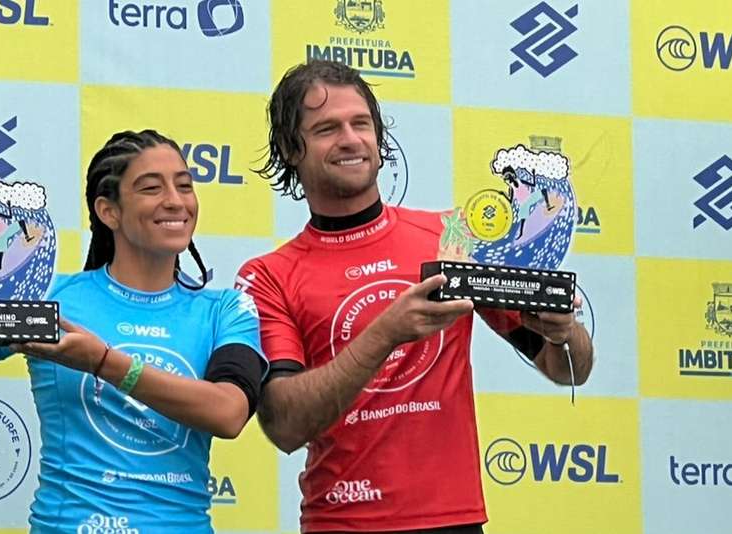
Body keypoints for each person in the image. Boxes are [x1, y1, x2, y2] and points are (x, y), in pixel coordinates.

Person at [237, 60, 594, 534]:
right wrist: (386, 332)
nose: (350, 139)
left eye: (361, 123)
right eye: (326, 129)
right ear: (290, 147)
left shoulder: (453, 238)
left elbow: (567, 369)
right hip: (342, 522)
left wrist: (565, 332)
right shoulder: (268, 276)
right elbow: (284, 426)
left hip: (454, 521)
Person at [0, 130, 268, 533]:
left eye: (184, 186)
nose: (176, 201)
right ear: (108, 211)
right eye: (151, 188)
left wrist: (103, 362)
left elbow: (229, 412)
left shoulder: (225, 309)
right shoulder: (47, 300)